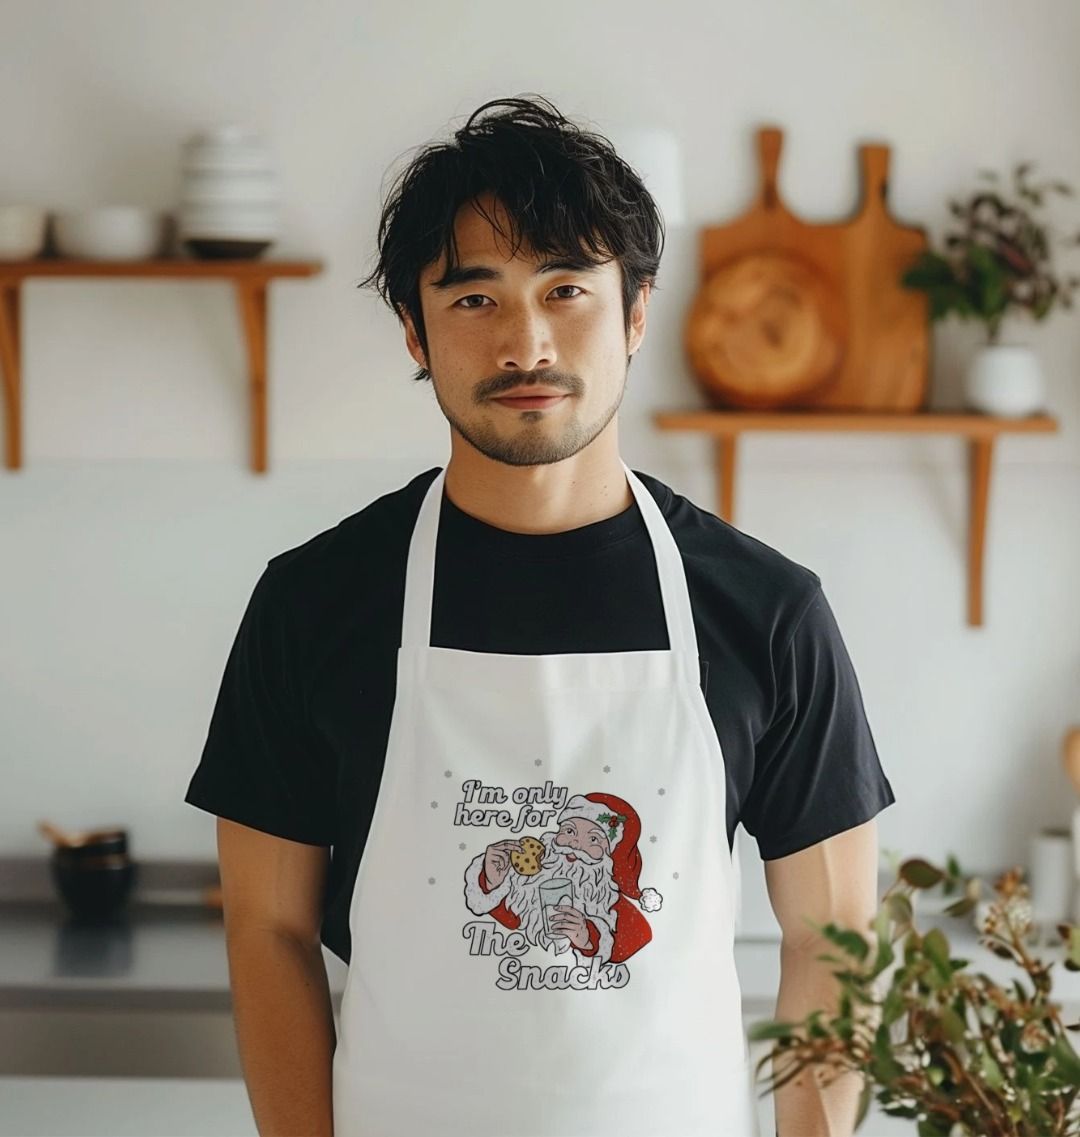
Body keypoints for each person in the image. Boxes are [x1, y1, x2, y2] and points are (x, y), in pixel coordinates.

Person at [185, 93, 896, 1137]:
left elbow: (833, 939)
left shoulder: (767, 611)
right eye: (474, 300)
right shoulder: (314, 602)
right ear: (414, 331)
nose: (526, 343)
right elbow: (267, 930)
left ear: (635, 312)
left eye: (567, 289)